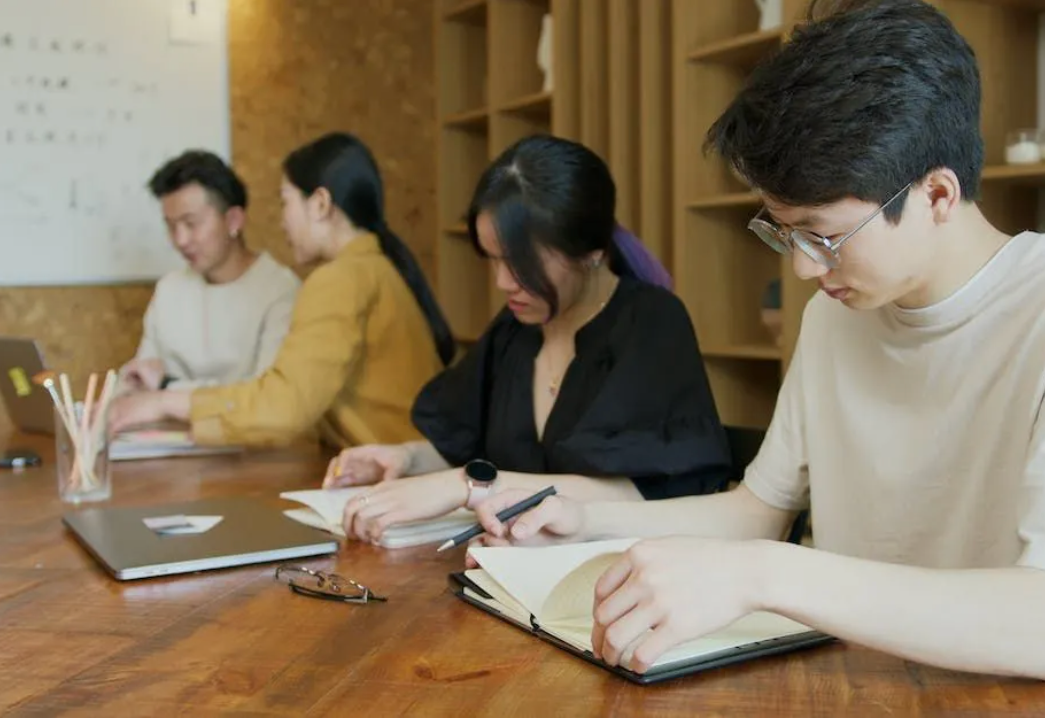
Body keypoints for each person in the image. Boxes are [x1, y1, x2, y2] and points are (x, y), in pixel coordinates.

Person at [470, 0, 1045, 680]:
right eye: (784, 232)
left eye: (823, 235)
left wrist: (765, 575)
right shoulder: (836, 315)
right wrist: (586, 521)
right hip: (846, 686)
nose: (801, 268)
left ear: (938, 196)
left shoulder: (1033, 314)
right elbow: (758, 511)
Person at [327, 134, 732, 544]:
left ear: (591, 251)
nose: (503, 282)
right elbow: (465, 443)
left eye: (521, 263)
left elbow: (645, 491)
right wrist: (404, 458)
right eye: (494, 260)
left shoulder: (650, 323)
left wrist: (469, 486)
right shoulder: (514, 331)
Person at [108, 132, 454, 448]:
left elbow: (283, 407)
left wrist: (164, 399)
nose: (281, 220)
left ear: (320, 204)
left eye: (285, 202)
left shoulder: (340, 279)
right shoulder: (373, 267)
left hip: (397, 475)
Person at [120, 150, 300, 392]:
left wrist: (168, 386)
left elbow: (265, 397)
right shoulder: (169, 290)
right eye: (171, 226)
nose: (180, 240)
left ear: (233, 221)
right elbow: (141, 380)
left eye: (191, 224)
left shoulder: (279, 290)